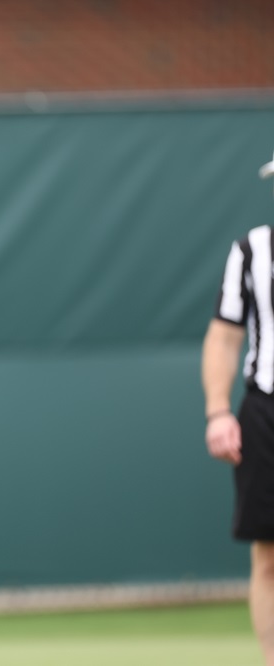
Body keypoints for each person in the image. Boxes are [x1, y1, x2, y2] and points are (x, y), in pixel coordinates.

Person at [202, 152, 274, 666]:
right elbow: (225, 337)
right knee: (269, 555)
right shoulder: (253, 250)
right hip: (266, 412)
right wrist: (217, 411)